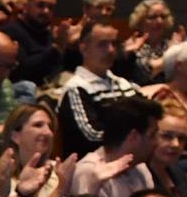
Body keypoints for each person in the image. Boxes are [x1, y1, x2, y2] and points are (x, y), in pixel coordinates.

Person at [57, 20, 146, 159]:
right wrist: (133, 136)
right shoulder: (76, 88)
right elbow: (91, 136)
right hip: (91, 169)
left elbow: (149, 119)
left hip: (129, 162)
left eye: (114, 44)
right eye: (102, 44)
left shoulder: (123, 84)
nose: (111, 50)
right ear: (84, 49)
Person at [66, 94, 158, 197]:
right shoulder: (88, 172)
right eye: (152, 135)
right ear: (134, 136)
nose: (157, 142)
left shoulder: (140, 168)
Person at [3, 0, 64, 87]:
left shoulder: (48, 33)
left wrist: (72, 47)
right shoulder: (11, 32)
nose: (46, 11)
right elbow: (22, 71)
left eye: (51, 7)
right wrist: (55, 49)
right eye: (40, 5)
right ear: (26, 6)